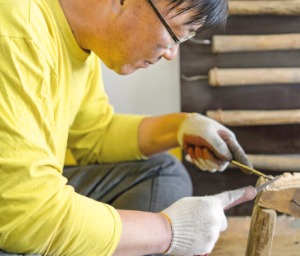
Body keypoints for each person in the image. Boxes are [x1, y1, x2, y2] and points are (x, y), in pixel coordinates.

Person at [0, 0, 252, 255]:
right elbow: (26, 215)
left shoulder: (78, 38)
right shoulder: (17, 32)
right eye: (175, 35)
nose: (170, 54)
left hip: (27, 205)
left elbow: (94, 136)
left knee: (163, 174)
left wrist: (181, 127)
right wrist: (167, 231)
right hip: (18, 216)